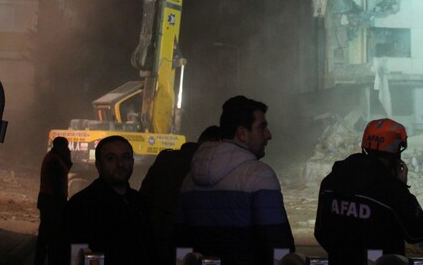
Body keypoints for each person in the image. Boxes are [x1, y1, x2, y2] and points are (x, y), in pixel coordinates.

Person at [176, 95, 294, 265]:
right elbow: (277, 242)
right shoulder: (260, 176)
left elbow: (181, 244)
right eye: (262, 127)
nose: (268, 135)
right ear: (242, 133)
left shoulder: (189, 179)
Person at [314, 118, 423, 264]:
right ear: (395, 152)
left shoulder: (331, 182)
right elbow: (418, 233)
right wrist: (402, 190)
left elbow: (321, 232)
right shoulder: (391, 190)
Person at [65, 135, 153, 265]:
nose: (120, 164)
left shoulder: (140, 203)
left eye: (125, 157)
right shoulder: (81, 206)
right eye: (111, 158)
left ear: (132, 162)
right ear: (98, 165)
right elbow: (74, 255)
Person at [140, 125, 220, 263]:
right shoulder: (213, 168)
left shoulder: (166, 159)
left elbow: (143, 199)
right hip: (193, 250)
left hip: (155, 245)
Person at [35, 136, 72, 265]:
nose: (67, 149)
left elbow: (67, 168)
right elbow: (56, 183)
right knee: (51, 235)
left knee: (45, 235)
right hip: (52, 201)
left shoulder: (54, 157)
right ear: (60, 147)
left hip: (47, 200)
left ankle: (41, 260)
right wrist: (61, 204)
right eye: (65, 146)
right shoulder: (54, 160)